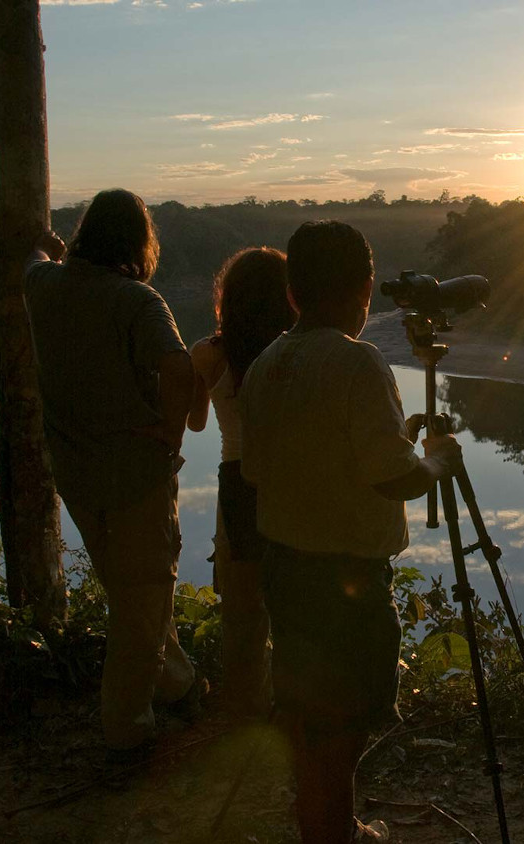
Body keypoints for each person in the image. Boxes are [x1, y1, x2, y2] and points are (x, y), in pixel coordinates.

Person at [238, 220, 460, 843]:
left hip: (285, 570)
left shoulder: (267, 364)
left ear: (292, 293)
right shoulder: (359, 362)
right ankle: (332, 832)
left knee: (312, 718)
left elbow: (271, 468)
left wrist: (403, 441)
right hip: (347, 584)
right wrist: (438, 460)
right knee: (343, 725)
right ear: (365, 288)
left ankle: (328, 824)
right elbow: (393, 480)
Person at [24, 188, 200, 752]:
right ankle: (129, 730)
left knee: (133, 592)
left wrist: (45, 249)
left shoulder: (43, 286)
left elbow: (34, 262)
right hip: (134, 476)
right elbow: (178, 368)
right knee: (142, 598)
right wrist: (170, 434)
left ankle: (175, 683)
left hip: (75, 474)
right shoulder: (137, 301)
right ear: (137, 243)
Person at [185, 247, 294, 716]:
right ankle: (296, 710)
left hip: (239, 481)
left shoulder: (210, 355)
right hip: (295, 479)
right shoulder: (296, 350)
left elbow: (194, 424)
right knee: (295, 603)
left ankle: (246, 711)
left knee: (243, 614)